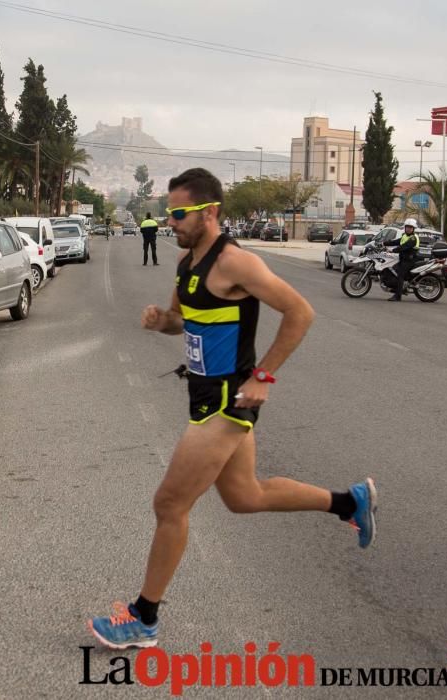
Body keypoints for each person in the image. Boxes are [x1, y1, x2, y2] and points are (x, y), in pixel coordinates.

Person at [88, 168, 378, 650]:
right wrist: (162, 321)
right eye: (169, 211)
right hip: (204, 397)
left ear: (210, 211)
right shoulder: (186, 264)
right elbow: (182, 323)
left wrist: (263, 376)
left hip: (227, 404)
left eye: (180, 213)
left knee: (169, 504)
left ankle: (144, 618)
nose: (171, 220)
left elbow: (300, 312)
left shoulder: (235, 263)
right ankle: (349, 502)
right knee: (245, 496)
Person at [384, 218, 420, 301]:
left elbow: (404, 247)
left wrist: (392, 250)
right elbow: (397, 241)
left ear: (413, 229)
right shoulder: (405, 236)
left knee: (400, 275)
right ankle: (395, 288)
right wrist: (384, 243)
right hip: (403, 259)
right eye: (407, 227)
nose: (408, 229)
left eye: (410, 227)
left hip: (409, 261)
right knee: (392, 270)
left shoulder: (413, 238)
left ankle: (398, 296)